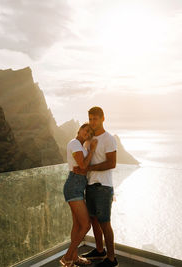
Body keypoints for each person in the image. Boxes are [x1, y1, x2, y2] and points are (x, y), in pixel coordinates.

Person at [75, 107, 118, 267]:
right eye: (90, 119)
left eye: (95, 119)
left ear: (102, 119)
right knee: (93, 220)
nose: (92, 122)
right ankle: (100, 250)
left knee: (105, 222)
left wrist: (89, 168)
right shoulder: (88, 140)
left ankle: (112, 259)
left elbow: (111, 163)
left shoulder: (109, 139)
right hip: (90, 185)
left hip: (103, 187)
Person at [60, 123, 98, 267]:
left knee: (77, 225)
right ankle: (68, 256)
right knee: (86, 225)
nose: (87, 134)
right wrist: (92, 151)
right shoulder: (75, 143)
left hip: (77, 186)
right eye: (86, 130)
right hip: (74, 187)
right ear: (80, 129)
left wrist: (83, 168)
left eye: (90, 133)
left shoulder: (80, 146)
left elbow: (83, 168)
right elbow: (83, 166)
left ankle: (74, 258)